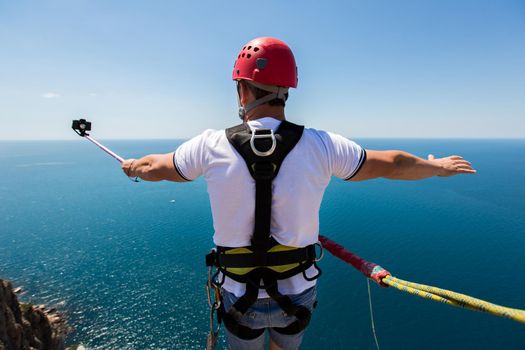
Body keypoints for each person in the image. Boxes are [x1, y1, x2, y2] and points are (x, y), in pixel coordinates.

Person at [121, 37, 476, 350]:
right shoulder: (322, 145)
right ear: (286, 90)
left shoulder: (210, 145)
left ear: (243, 89)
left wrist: (135, 166)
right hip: (296, 292)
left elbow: (157, 168)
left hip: (237, 291)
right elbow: (394, 163)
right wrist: (437, 167)